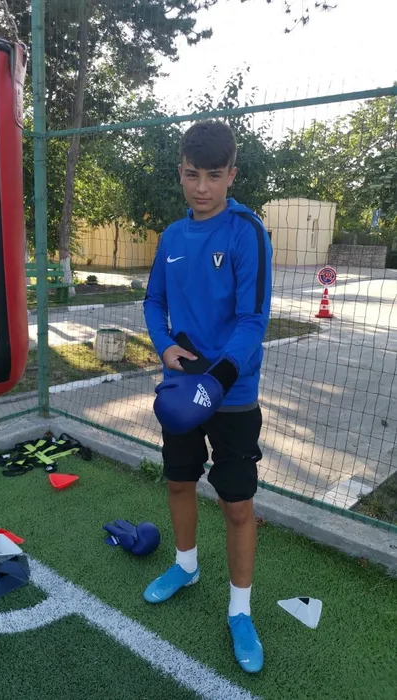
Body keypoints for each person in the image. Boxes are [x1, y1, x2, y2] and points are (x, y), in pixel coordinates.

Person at [142, 119, 272, 674]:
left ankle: (240, 611)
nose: (202, 187)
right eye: (193, 175)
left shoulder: (247, 231)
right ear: (181, 172)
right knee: (178, 481)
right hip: (181, 387)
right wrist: (165, 346)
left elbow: (253, 319)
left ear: (231, 175)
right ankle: (186, 565)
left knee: (237, 504)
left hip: (232, 391)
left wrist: (218, 378)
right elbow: (154, 302)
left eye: (214, 176)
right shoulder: (172, 237)